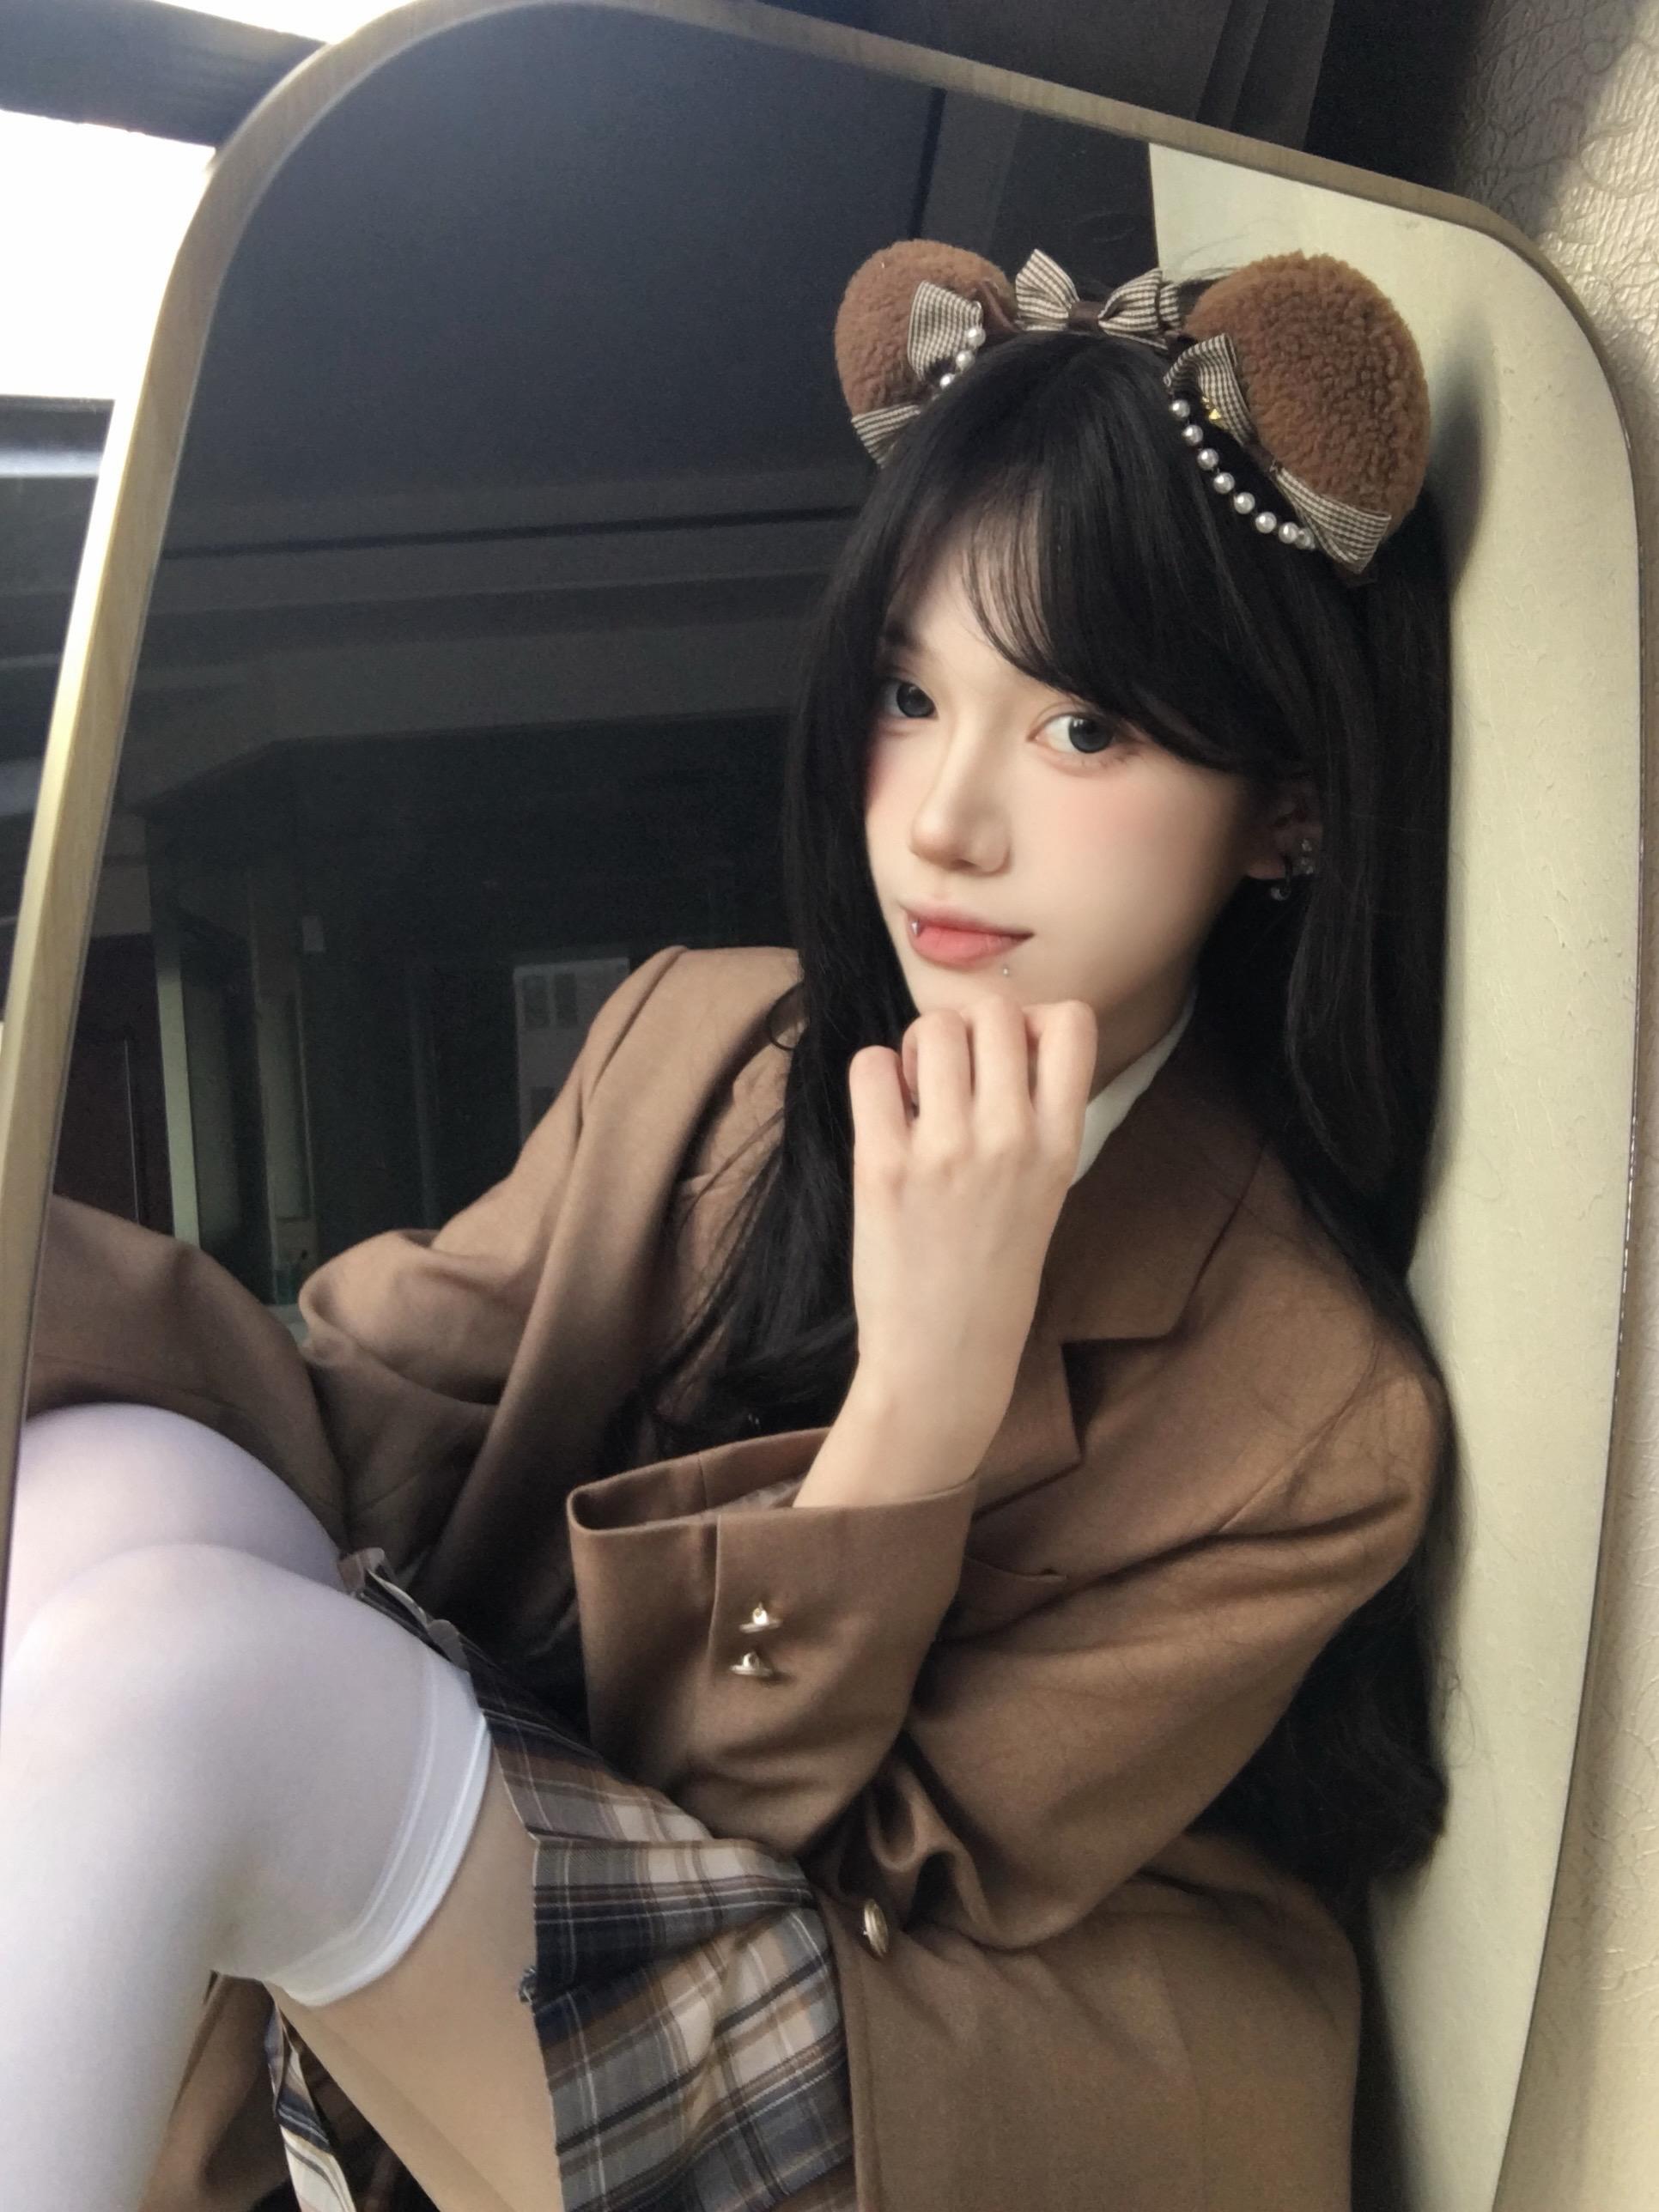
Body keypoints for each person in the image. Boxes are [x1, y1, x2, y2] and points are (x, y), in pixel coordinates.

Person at [0, 238, 1455, 2212]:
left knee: (182, 1676)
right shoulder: (718, 1051)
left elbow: (827, 1857)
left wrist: (921, 1407)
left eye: (1080, 730)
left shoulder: (1307, 1409)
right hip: (521, 1895)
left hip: (917, 2073)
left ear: (1285, 807)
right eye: (910, 694)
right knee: (118, 1491)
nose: (943, 820)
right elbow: (353, 1422)